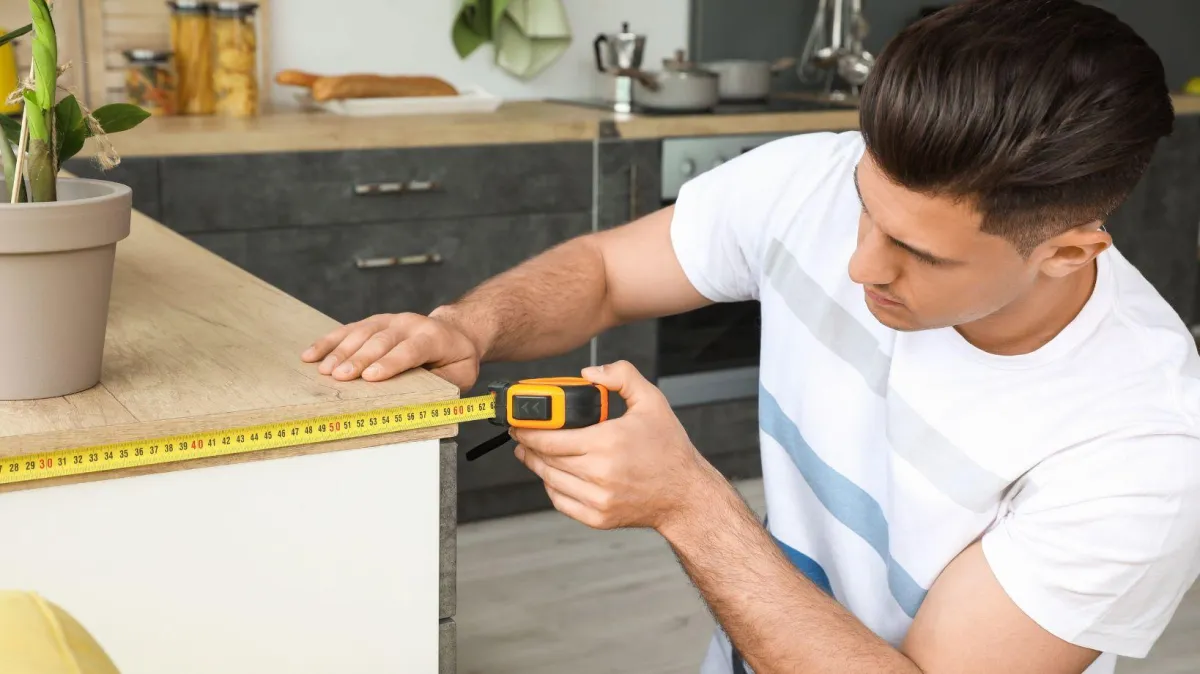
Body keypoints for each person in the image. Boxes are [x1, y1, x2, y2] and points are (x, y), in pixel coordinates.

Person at [301, 1, 1200, 671]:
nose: (859, 267)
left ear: (1069, 250)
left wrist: (688, 502)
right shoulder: (812, 178)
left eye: (919, 254)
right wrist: (473, 323)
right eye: (865, 208)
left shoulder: (1140, 446)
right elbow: (607, 271)